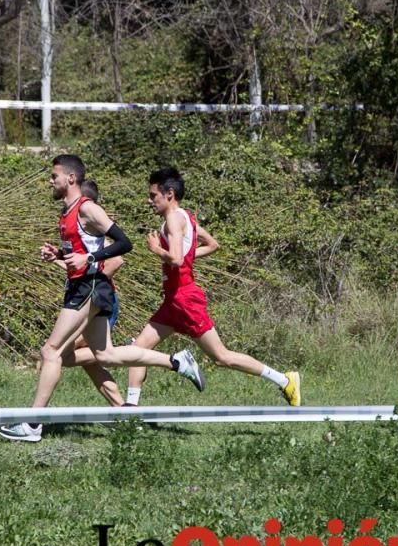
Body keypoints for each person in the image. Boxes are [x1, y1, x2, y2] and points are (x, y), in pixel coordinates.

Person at [0, 155, 204, 442]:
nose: (50, 181)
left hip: (90, 288)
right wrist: (58, 255)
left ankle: (33, 425)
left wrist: (89, 258)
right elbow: (82, 250)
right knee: (105, 355)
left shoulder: (88, 209)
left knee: (51, 351)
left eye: (54, 175)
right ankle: (177, 361)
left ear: (71, 179)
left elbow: (124, 244)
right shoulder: (68, 212)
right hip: (87, 286)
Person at [124, 167, 301, 407]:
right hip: (173, 300)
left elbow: (175, 259)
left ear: (169, 194)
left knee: (221, 357)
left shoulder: (174, 219)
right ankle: (130, 410)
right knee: (138, 349)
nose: (149, 200)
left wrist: (157, 250)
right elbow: (212, 245)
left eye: (153, 195)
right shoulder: (185, 217)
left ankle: (284, 380)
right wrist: (184, 256)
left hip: (185, 299)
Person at [52, 179, 125, 407]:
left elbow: (117, 260)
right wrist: (58, 257)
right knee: (92, 361)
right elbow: (78, 265)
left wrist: (96, 281)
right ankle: (122, 412)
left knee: (61, 355)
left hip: (98, 298)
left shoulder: (91, 221)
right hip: (87, 294)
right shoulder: (79, 229)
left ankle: (135, 350)